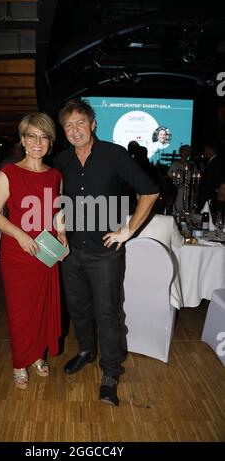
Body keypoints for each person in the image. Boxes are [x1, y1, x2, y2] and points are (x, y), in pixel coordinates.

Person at [54, 99, 159, 407]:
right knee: (78, 309)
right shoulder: (62, 160)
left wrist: (129, 230)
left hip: (104, 254)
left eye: (80, 124)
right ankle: (86, 351)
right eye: (68, 126)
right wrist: (59, 225)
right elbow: (59, 197)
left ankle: (111, 372)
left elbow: (150, 192)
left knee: (108, 314)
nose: (75, 131)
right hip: (71, 251)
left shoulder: (114, 154)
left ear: (93, 124)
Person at [0, 113, 68, 390]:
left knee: (43, 308)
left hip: (45, 252)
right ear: (22, 140)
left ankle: (38, 355)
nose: (37, 142)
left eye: (43, 136)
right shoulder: (8, 173)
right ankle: (19, 362)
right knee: (21, 311)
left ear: (50, 142)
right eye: (31, 135)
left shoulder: (56, 175)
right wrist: (20, 233)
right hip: (18, 253)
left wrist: (62, 234)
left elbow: (58, 212)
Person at [167, 144, 191, 212]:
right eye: (184, 151)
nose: (186, 153)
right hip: (177, 192)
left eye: (188, 151)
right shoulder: (175, 165)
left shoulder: (192, 165)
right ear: (180, 152)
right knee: (177, 210)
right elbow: (169, 177)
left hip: (189, 193)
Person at [198, 144, 222, 210]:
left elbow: (213, 178)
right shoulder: (212, 161)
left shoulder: (216, 161)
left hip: (209, 194)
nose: (204, 152)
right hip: (208, 194)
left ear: (211, 150)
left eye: (205, 150)